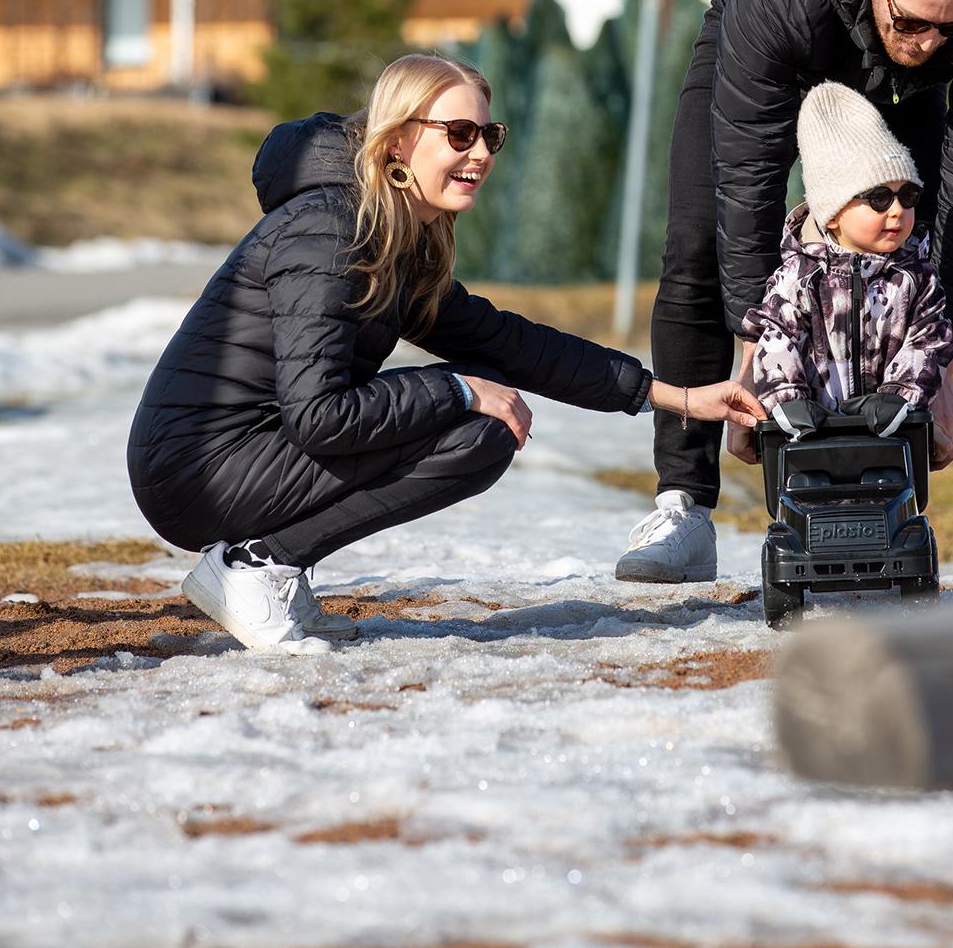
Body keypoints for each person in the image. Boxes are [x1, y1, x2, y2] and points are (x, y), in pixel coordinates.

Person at [127, 54, 764, 655]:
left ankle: (266, 562)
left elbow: (510, 343)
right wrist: (458, 389)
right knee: (479, 419)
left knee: (485, 406)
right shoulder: (329, 230)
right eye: (460, 134)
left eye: (491, 135)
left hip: (240, 457)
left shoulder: (394, 233)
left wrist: (675, 396)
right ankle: (257, 566)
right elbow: (319, 415)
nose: (481, 153)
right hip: (198, 471)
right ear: (399, 141)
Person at [615, 0, 953, 585]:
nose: (931, 40)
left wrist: (945, 361)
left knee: (904, 250)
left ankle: (872, 499)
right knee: (694, 243)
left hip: (903, 93)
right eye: (913, 21)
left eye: (949, 26)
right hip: (770, 42)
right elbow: (746, 186)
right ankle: (683, 504)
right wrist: (757, 350)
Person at [742, 81, 953, 441]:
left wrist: (898, 397)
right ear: (833, 214)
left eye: (908, 195)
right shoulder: (799, 277)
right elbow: (776, 336)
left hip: (891, 432)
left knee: (892, 491)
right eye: (879, 198)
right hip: (811, 435)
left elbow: (929, 339)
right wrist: (787, 400)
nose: (898, 211)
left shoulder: (916, 278)